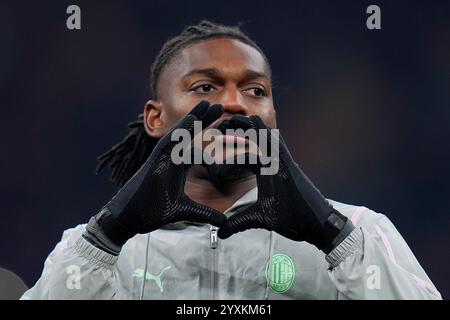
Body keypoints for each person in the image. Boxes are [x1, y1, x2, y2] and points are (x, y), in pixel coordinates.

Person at [22, 20, 441, 300]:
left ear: (273, 117)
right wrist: (107, 236)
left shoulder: (362, 231)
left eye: (255, 91)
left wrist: (333, 236)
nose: (233, 103)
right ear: (156, 118)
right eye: (205, 87)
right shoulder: (94, 247)